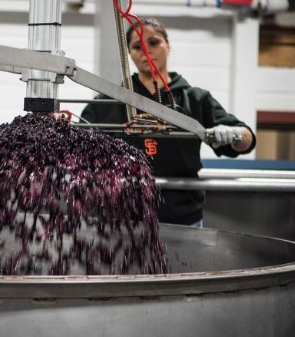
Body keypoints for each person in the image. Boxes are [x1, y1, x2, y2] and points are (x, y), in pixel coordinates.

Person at [81, 17, 256, 227]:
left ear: (168, 46)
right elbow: (77, 140)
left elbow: (247, 139)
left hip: (183, 218)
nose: (146, 51)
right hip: (123, 219)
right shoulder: (109, 102)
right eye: (137, 46)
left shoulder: (195, 100)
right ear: (130, 54)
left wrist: (234, 135)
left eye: (153, 43)